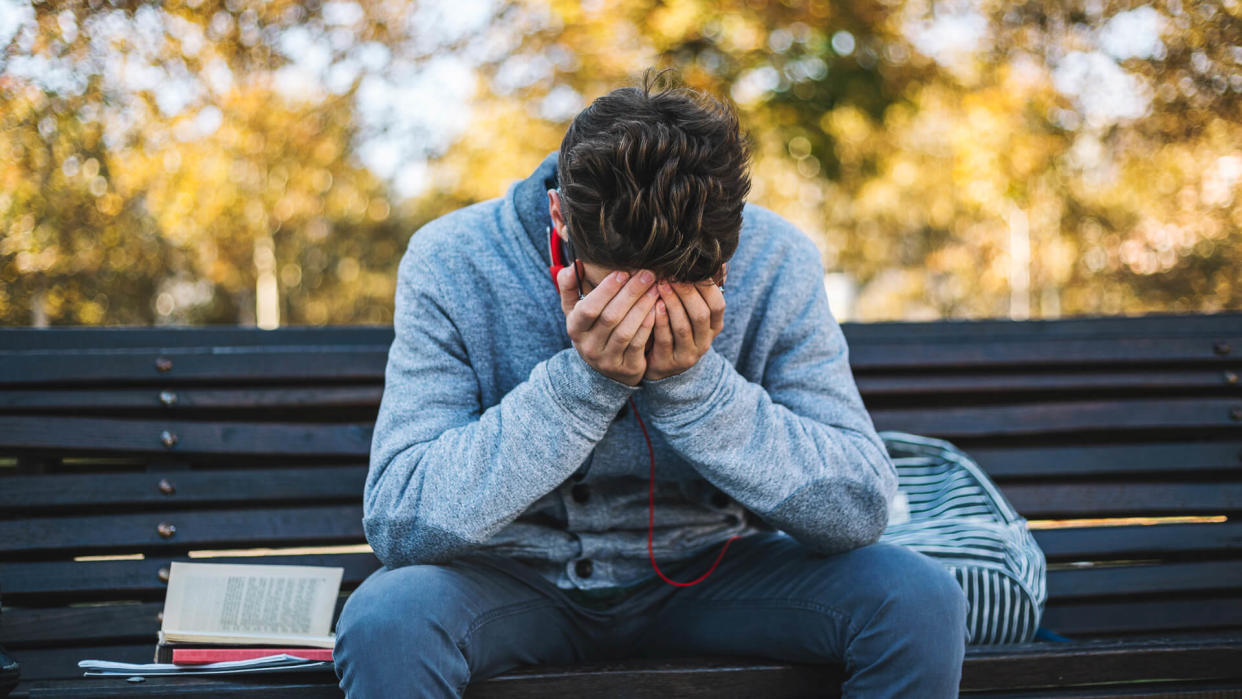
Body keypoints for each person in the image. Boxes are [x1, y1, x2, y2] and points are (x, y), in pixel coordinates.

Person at [334, 68, 967, 698]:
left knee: (917, 598)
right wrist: (582, 386)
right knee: (389, 621)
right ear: (560, 217)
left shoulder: (778, 259)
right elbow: (401, 521)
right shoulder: (453, 258)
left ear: (732, 242)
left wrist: (697, 389)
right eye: (619, 286)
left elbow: (859, 507)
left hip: (716, 573)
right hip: (509, 580)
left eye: (687, 286)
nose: (649, 313)